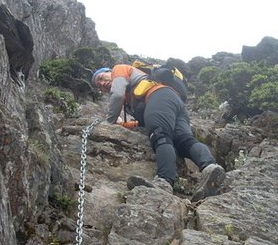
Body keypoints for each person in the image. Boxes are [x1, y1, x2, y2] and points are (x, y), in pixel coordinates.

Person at [92, 64, 225, 200]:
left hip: (158, 96)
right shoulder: (132, 94)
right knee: (184, 140)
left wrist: (109, 123)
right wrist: (123, 125)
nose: (102, 83)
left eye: (101, 77)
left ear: (109, 71)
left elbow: (117, 94)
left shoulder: (118, 69)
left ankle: (164, 182)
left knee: (160, 136)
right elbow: (146, 121)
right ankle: (210, 167)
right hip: (173, 101)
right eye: (99, 85)